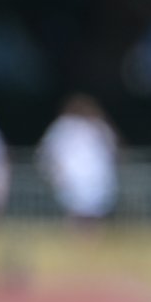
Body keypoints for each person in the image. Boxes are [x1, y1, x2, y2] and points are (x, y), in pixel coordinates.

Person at [38, 94, 118, 227]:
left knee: (91, 213)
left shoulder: (97, 126)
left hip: (93, 178)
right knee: (79, 213)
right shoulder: (65, 127)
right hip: (75, 178)